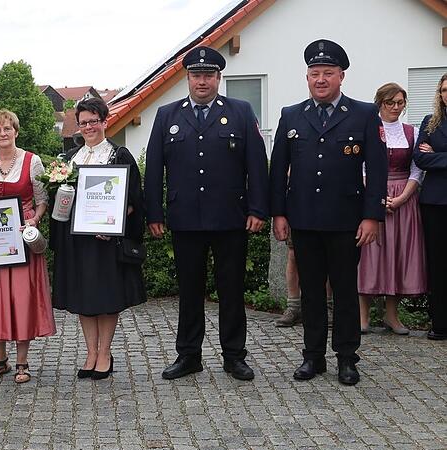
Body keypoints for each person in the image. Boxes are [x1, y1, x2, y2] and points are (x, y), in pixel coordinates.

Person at [145, 46, 269, 381]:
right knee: (189, 291)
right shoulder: (167, 114)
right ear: (188, 78)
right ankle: (188, 356)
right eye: (197, 75)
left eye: (209, 75)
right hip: (186, 219)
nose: (203, 81)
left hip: (230, 218)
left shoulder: (241, 112)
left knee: (231, 290)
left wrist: (258, 208)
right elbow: (154, 169)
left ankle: (234, 356)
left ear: (218, 78)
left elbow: (256, 165)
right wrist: (154, 213)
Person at [270, 40, 386, 386]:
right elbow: (278, 169)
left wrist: (372, 216)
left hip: (346, 221)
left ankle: (347, 358)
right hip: (303, 219)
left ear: (341, 76)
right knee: (311, 291)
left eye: (328, 73)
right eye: (314, 73)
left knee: (346, 290)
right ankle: (313, 357)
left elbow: (377, 171)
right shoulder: (291, 115)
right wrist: (279, 213)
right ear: (307, 77)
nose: (320, 79)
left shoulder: (364, 113)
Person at [51, 97, 146, 380]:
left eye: (94, 121)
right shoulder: (68, 160)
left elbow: (134, 200)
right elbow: (60, 201)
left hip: (105, 239)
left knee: (105, 297)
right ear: (78, 127)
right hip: (76, 240)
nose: (89, 127)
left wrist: (114, 224)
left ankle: (105, 352)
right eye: (84, 123)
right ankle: (90, 352)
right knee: (83, 298)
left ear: (105, 122)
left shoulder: (120, 155)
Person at [0, 109, 56, 384]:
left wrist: (33, 219)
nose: (3, 134)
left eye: (7, 129)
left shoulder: (32, 161)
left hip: (21, 239)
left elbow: (42, 200)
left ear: (16, 131)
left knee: (21, 297)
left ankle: (22, 362)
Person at [358, 83, 426, 334]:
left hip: (403, 200)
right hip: (372, 195)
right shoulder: (369, 130)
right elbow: (360, 166)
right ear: (380, 104)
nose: (396, 107)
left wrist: (402, 198)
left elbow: (417, 169)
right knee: (369, 255)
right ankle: (362, 315)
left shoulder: (412, 132)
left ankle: (391, 315)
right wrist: (376, 196)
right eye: (391, 103)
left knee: (398, 254)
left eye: (400, 103)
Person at [415, 72, 447, 341]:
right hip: (435, 203)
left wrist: (436, 155)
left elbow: (430, 159)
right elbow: (420, 160)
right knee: (437, 263)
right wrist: (432, 158)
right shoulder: (430, 122)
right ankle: (440, 324)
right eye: (444, 90)